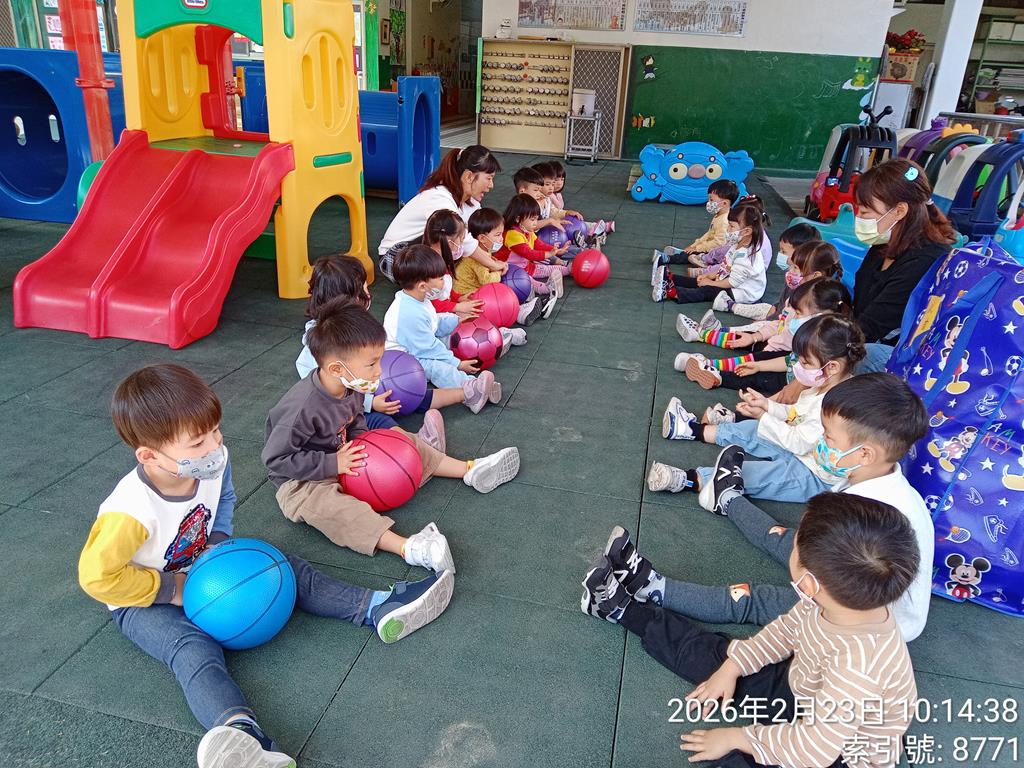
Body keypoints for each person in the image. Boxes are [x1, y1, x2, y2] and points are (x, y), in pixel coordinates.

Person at [79, 364, 455, 768]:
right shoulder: (130, 512)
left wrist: (217, 546)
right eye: (198, 442)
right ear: (149, 456)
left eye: (216, 431)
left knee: (284, 568)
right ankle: (241, 736)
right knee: (191, 648)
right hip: (141, 599)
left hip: (205, 565)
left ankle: (377, 607)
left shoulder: (213, 461)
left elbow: (223, 500)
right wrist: (173, 590)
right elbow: (98, 578)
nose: (215, 445)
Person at [582, 492, 920, 768]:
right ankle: (624, 611)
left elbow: (814, 750)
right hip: (806, 688)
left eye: (794, 544)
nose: (791, 542)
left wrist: (738, 737)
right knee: (718, 658)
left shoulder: (857, 669)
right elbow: (787, 630)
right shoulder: (834, 600)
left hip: (842, 752)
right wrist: (734, 666)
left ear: (808, 584)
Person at [605, 373, 933, 645]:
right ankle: (727, 498)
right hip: (849, 568)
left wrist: (806, 574)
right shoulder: (869, 479)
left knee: (752, 599)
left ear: (865, 454)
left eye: (829, 438)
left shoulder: (870, 513)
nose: (821, 443)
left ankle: (654, 588)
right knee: (782, 537)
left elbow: (850, 583)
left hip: (863, 618)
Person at [264, 303, 520, 564]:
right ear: (337, 369)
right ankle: (410, 548)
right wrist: (333, 463)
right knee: (335, 509)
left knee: (403, 441)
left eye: (380, 360)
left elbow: (355, 419)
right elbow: (276, 460)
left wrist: (366, 442)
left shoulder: (352, 386)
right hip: (300, 481)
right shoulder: (302, 408)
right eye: (372, 364)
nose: (379, 371)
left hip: (343, 455)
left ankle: (470, 470)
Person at [651, 314, 865, 504]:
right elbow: (794, 415)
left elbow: (797, 442)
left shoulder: (838, 405)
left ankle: (690, 480)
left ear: (832, 367)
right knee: (753, 429)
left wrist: (765, 416)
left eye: (805, 363)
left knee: (761, 475)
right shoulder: (821, 384)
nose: (798, 367)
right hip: (799, 448)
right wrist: (767, 405)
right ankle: (693, 430)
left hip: (814, 474)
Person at [294, 256, 475, 429]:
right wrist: (370, 403)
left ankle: (469, 392)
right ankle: (416, 441)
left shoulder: (354, 325)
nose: (369, 295)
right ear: (349, 299)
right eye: (364, 291)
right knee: (377, 420)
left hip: (376, 388)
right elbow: (329, 394)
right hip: (352, 408)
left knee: (412, 392)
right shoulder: (320, 347)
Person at [852, 158, 955, 371]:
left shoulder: (926, 260)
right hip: (869, 337)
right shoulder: (885, 245)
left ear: (899, 211)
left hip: (903, 359)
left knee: (862, 357)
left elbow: (869, 327)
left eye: (864, 212)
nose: (858, 218)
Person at [675, 277, 850, 391]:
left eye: (799, 313)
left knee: (754, 375)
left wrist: (761, 364)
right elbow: (783, 339)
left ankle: (713, 370)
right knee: (746, 342)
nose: (794, 316)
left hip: (783, 363)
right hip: (777, 350)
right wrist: (755, 337)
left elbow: (791, 362)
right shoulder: (804, 320)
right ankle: (702, 334)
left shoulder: (824, 345)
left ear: (821, 316)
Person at [384, 244, 506, 396]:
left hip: (420, 345)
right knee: (437, 367)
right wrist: (457, 364)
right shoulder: (409, 314)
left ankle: (497, 338)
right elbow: (429, 349)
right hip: (406, 361)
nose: (445, 282)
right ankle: (472, 389)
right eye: (441, 278)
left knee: (452, 336)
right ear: (422, 286)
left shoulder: (419, 298)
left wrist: (458, 321)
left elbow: (435, 322)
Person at [378, 145, 504, 282]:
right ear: (469, 176)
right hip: (395, 258)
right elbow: (466, 242)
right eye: (489, 178)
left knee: (459, 238)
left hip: (417, 253)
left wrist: (491, 259)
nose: (491, 185)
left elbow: (475, 234)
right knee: (451, 232)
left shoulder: (470, 202)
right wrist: (492, 265)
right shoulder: (439, 197)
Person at [652, 204, 766, 306]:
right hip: (731, 281)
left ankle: (671, 293)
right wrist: (708, 275)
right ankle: (670, 279)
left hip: (742, 293)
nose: (727, 229)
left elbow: (732, 282)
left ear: (746, 231)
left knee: (708, 290)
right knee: (699, 281)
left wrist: (711, 282)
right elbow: (725, 266)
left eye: (731, 226)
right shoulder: (736, 244)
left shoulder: (746, 257)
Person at [650, 179, 738, 278]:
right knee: (691, 252)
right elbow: (709, 234)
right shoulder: (719, 215)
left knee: (690, 255)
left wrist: (697, 248)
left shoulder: (724, 221)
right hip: (710, 248)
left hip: (715, 252)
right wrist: (695, 245)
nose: (708, 203)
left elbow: (718, 243)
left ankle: (667, 258)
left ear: (724, 203)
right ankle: (684, 254)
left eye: (711, 200)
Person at [499, 193, 569, 313]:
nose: (536, 223)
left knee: (546, 269)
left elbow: (538, 244)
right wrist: (550, 254)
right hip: (512, 272)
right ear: (518, 219)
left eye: (537, 219)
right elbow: (529, 253)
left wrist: (555, 250)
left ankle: (568, 270)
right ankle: (548, 289)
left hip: (526, 267)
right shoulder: (512, 234)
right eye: (532, 219)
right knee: (530, 282)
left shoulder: (527, 230)